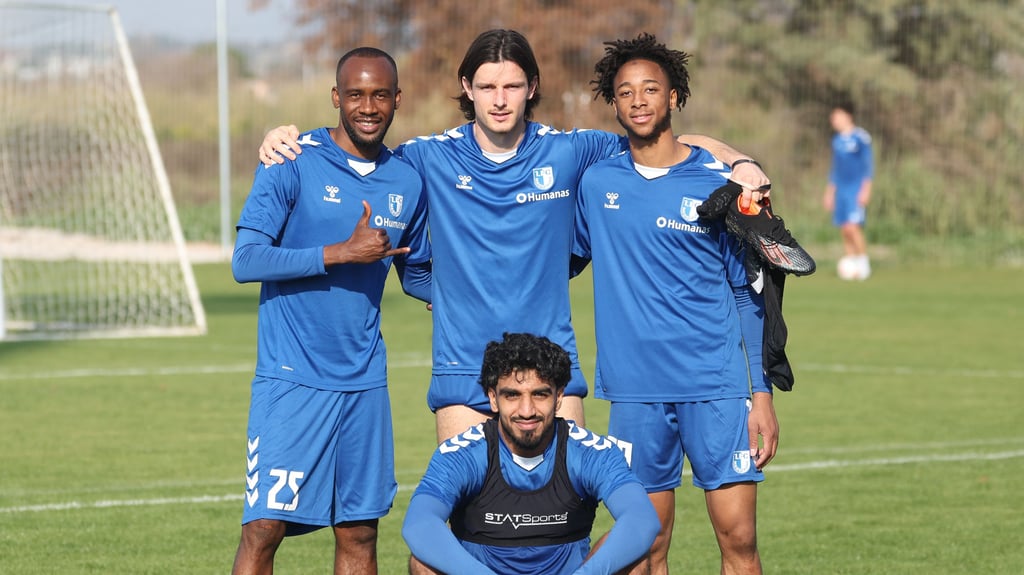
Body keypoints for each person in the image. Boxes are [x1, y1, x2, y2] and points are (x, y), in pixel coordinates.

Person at [258, 29, 771, 444]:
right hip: (464, 370)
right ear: (466, 88)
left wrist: (741, 161)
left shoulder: (571, 151)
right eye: (486, 87)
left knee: (565, 532)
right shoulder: (428, 158)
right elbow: (357, 161)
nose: (499, 100)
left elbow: (662, 140)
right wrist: (287, 139)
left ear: (531, 86)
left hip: (553, 368)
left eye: (511, 86)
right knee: (468, 534)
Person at [572, 34, 779, 575]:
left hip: (715, 386)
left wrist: (760, 394)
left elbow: (746, 292)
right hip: (634, 394)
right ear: (613, 104)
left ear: (673, 98)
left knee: (738, 540)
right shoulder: (596, 182)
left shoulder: (718, 186)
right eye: (625, 92)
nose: (638, 100)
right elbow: (560, 258)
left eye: (650, 89)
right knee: (646, 544)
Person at [229, 47, 431, 575]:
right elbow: (246, 260)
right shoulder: (291, 159)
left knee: (361, 532)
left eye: (380, 95)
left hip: (365, 385)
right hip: (292, 381)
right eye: (357, 94)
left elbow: (419, 277)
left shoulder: (407, 180)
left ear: (397, 100)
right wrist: (340, 252)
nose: (369, 106)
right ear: (336, 97)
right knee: (264, 530)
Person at [401, 332, 660, 575]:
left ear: (559, 397)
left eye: (540, 394)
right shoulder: (463, 454)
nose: (527, 410)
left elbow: (640, 520)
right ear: (493, 398)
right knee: (423, 564)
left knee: (635, 561)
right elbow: (420, 523)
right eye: (512, 395)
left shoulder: (591, 453)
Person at [823, 101, 874, 280]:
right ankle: (852, 264)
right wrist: (830, 193)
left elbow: (868, 166)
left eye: (836, 116)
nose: (833, 120)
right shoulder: (836, 141)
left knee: (853, 227)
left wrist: (866, 189)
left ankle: (863, 263)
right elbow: (835, 170)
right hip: (841, 190)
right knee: (844, 228)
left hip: (855, 189)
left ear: (847, 116)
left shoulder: (861, 137)